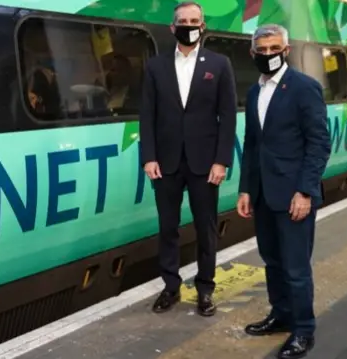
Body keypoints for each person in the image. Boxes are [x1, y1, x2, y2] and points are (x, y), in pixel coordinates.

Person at [237, 24, 331, 359]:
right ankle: (281, 315)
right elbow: (251, 144)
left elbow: (319, 144)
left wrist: (305, 192)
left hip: (293, 195)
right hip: (263, 194)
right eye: (261, 50)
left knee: (295, 267)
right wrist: (246, 189)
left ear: (286, 50)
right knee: (272, 262)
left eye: (273, 48)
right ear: (252, 53)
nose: (267, 55)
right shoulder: (254, 92)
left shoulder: (304, 88)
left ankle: (303, 329)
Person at [139, 1, 237, 317]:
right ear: (173, 27)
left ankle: (205, 289)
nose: (189, 25)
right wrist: (148, 157)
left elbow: (227, 116)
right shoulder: (155, 66)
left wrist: (222, 161)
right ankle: (170, 287)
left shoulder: (219, 64)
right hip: (166, 163)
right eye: (183, 20)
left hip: (204, 163)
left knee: (205, 228)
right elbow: (147, 116)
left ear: (203, 26)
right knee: (168, 227)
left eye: (195, 20)